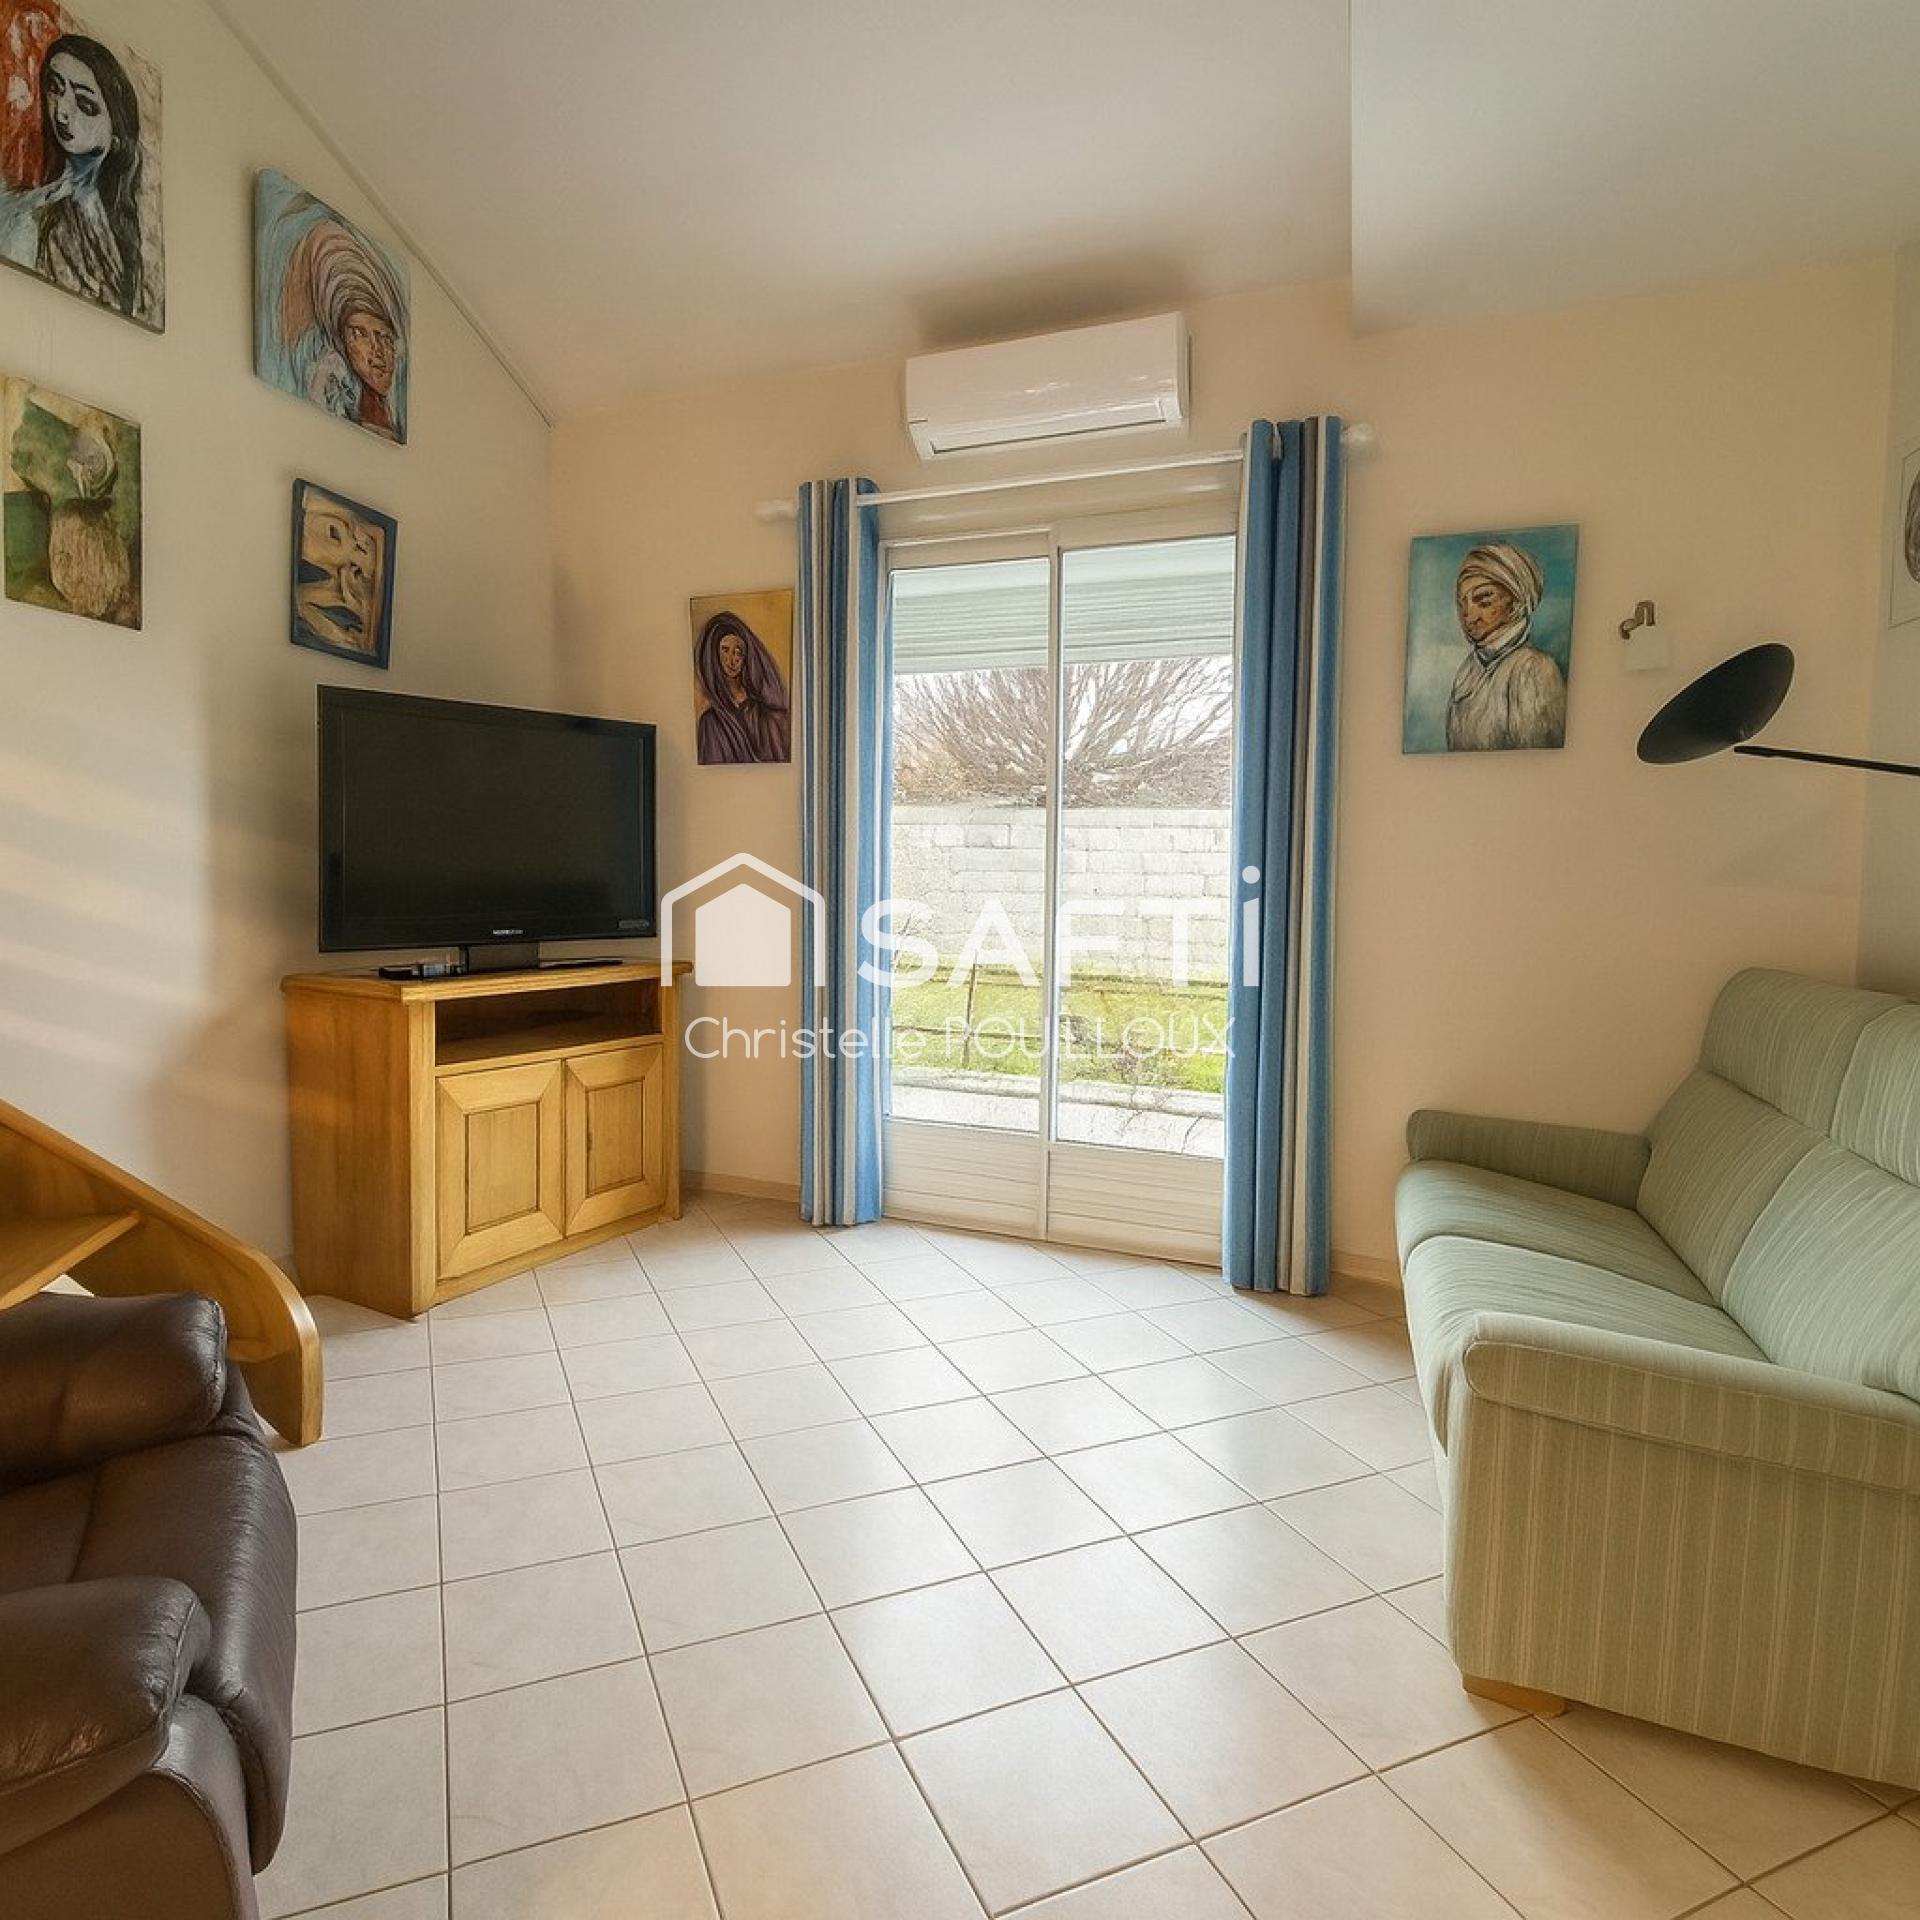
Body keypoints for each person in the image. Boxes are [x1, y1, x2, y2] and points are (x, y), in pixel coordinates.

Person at [0, 32, 150, 321]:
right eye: (55, 88)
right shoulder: (32, 214)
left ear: (117, 135)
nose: (62, 113)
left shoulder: (121, 228)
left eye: (85, 103)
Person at [280, 217, 409, 440]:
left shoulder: (392, 417)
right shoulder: (328, 388)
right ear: (342, 341)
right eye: (360, 334)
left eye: (385, 337)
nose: (377, 350)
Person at [1445, 542, 1567, 751]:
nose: (1468, 617)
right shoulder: (1469, 671)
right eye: (1462, 604)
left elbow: (1535, 761)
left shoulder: (1534, 669)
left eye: (1483, 601)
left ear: (1517, 601)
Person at [695, 612, 791, 764]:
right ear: (715, 655)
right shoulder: (709, 722)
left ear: (746, 658)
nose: (731, 660)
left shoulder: (765, 715)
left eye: (738, 652)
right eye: (725, 650)